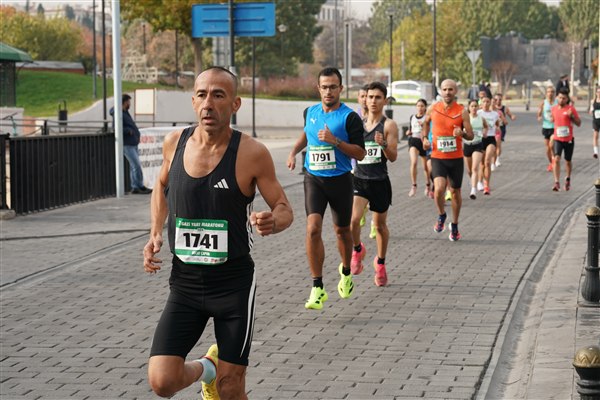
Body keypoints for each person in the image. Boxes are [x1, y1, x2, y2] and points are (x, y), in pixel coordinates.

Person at [143, 67, 293, 400]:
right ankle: (207, 367)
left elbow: (284, 207)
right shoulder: (174, 144)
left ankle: (219, 375)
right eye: (202, 95)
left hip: (233, 285)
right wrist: (155, 233)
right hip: (185, 283)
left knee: (230, 388)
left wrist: (273, 220)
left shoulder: (251, 153)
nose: (208, 103)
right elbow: (161, 186)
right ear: (193, 101)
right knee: (162, 381)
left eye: (218, 95)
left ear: (235, 104)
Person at [287, 67, 366, 310]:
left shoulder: (349, 117)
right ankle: (317, 287)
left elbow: (360, 153)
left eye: (333, 87)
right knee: (312, 229)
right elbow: (306, 135)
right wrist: (293, 152)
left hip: (340, 180)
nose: (328, 91)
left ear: (341, 88)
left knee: (342, 231)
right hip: (314, 179)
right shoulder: (309, 112)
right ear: (318, 88)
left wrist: (336, 141)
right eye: (324, 87)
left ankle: (346, 271)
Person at [349, 81, 398, 286]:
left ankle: (380, 263)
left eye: (378, 97)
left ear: (384, 101)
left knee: (379, 226)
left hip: (379, 181)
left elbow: (393, 156)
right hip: (359, 179)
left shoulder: (388, 125)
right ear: (365, 99)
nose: (373, 101)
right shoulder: (357, 124)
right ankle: (358, 249)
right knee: (353, 221)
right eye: (370, 97)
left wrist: (384, 144)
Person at [422, 79, 473, 241]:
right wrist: (425, 138)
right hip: (438, 157)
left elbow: (471, 135)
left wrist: (462, 133)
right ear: (441, 91)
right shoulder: (433, 108)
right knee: (439, 189)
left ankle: (455, 225)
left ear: (455, 91)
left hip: (456, 158)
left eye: (450, 89)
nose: (447, 92)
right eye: (444, 89)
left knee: (456, 193)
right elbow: (425, 123)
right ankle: (441, 214)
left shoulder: (462, 111)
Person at [110, 94, 152, 194]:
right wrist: (128, 131)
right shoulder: (118, 113)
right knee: (136, 165)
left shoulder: (125, 112)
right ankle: (138, 186)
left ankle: (136, 186)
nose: (129, 104)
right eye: (128, 102)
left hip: (132, 143)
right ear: (124, 102)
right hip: (127, 144)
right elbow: (116, 128)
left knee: (134, 166)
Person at [550, 87, 581, 191]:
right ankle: (556, 182)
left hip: (569, 139)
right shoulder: (553, 109)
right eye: (560, 98)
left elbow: (579, 123)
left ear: (567, 99)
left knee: (568, 161)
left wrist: (571, 117)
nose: (561, 100)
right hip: (557, 139)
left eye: (563, 98)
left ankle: (567, 179)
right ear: (556, 98)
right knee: (556, 159)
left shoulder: (571, 109)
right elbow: (553, 120)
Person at [463, 99, 488, 200]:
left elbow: (486, 127)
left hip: (478, 144)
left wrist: (485, 132)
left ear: (478, 107)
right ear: (468, 108)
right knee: (469, 170)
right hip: (467, 145)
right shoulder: (465, 119)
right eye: (472, 106)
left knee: (474, 168)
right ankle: (473, 181)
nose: (474, 108)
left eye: (475, 106)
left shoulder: (481, 118)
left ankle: (473, 190)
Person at [406, 99, 430, 197]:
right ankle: (414, 185)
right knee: (414, 162)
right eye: (418, 106)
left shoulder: (427, 118)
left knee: (425, 167)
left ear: (425, 107)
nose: (420, 108)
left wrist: (424, 126)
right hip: (413, 141)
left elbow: (430, 130)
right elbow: (411, 129)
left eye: (422, 106)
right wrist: (408, 132)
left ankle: (428, 185)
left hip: (424, 142)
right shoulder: (412, 117)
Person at [478, 96, 501, 195]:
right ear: (481, 103)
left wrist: (497, 128)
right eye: (484, 101)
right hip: (481, 139)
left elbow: (497, 123)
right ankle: (480, 181)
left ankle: (486, 185)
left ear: (490, 103)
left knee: (487, 161)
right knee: (482, 164)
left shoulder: (494, 114)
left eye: (488, 101)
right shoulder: (478, 113)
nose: (486, 103)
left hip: (491, 138)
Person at [537, 86, 558, 170]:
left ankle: (554, 159)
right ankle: (551, 162)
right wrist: (539, 116)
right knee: (548, 148)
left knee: (551, 144)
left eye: (552, 92)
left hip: (555, 127)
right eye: (549, 92)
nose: (550, 93)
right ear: (546, 93)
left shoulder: (557, 102)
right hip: (546, 127)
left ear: (554, 93)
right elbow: (539, 112)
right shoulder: (543, 102)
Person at [492, 93, 514, 167]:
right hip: (492, 129)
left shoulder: (504, 108)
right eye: (496, 99)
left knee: (498, 144)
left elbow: (510, 116)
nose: (498, 101)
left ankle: (497, 159)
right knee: (493, 145)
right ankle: (493, 159)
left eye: (500, 99)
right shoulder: (490, 109)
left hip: (501, 128)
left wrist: (512, 117)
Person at [589, 86, 600, 159]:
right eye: (598, 92)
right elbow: (590, 110)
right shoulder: (593, 101)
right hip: (596, 121)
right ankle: (595, 152)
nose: (599, 93)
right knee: (595, 136)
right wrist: (591, 111)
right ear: (596, 93)